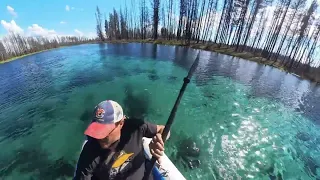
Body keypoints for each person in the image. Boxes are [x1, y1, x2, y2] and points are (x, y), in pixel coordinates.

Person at [73, 100, 169, 180]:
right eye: (96, 130)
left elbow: (163, 129)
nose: (99, 137)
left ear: (121, 123)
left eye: (105, 131)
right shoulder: (89, 150)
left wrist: (159, 140)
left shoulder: (134, 128)